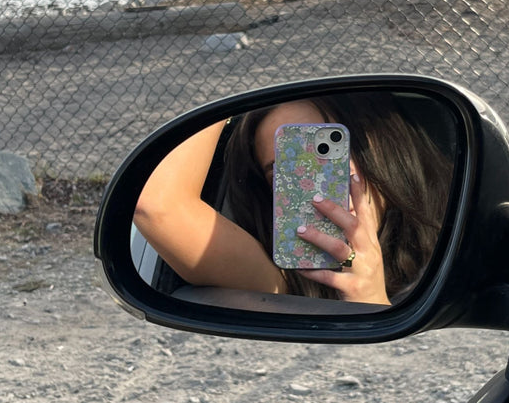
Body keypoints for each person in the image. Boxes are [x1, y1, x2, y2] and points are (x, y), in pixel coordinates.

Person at [134, 92, 452, 305]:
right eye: (285, 170)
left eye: (330, 149)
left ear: (386, 147)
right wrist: (227, 92)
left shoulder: (453, 239)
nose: (318, 181)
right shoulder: (283, 279)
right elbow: (158, 206)